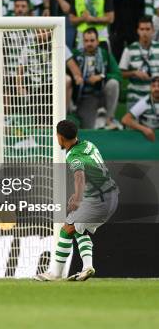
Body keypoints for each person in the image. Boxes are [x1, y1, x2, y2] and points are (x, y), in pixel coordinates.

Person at [36, 120, 118, 281]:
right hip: (112, 196)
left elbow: (79, 175)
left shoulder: (73, 154)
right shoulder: (88, 144)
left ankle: (55, 273)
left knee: (66, 229)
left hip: (99, 199)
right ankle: (87, 267)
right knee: (79, 229)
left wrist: (78, 198)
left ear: (60, 137)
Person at [66, 28, 121, 129]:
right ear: (83, 42)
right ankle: (69, 114)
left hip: (102, 94)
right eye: (86, 41)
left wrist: (101, 76)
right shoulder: (76, 55)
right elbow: (65, 73)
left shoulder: (105, 54)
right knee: (91, 128)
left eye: (92, 40)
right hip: (84, 98)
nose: (89, 44)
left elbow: (118, 74)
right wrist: (76, 78)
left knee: (113, 83)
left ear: (97, 41)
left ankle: (109, 118)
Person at [119, 17, 159, 109]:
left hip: (156, 94)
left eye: (148, 29)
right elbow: (120, 74)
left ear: (153, 30)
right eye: (142, 29)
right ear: (138, 31)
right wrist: (134, 73)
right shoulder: (129, 49)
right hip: (135, 96)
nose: (145, 32)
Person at [121, 76, 159, 142]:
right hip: (145, 137)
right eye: (153, 86)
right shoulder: (145, 102)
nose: (156, 89)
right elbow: (125, 120)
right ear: (150, 88)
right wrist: (144, 129)